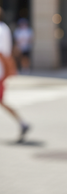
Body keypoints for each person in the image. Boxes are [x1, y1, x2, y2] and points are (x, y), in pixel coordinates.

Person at [0, 8, 31, 143]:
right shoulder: (5, 28)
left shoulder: (1, 29)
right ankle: (22, 123)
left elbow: (2, 52)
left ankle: (22, 123)